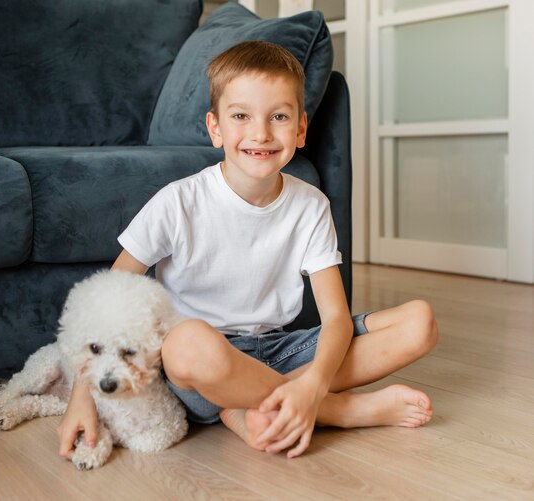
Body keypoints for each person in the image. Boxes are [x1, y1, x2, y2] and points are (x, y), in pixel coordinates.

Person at [58, 40, 438, 460]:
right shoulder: (178, 201)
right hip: (201, 368)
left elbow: (335, 318)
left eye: (278, 116)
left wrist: (311, 382)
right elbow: (105, 303)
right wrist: (83, 396)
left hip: (281, 351)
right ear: (215, 127)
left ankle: (252, 405)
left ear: (300, 129)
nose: (260, 133)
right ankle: (340, 410)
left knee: (419, 322)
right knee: (187, 345)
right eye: (241, 116)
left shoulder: (310, 205)